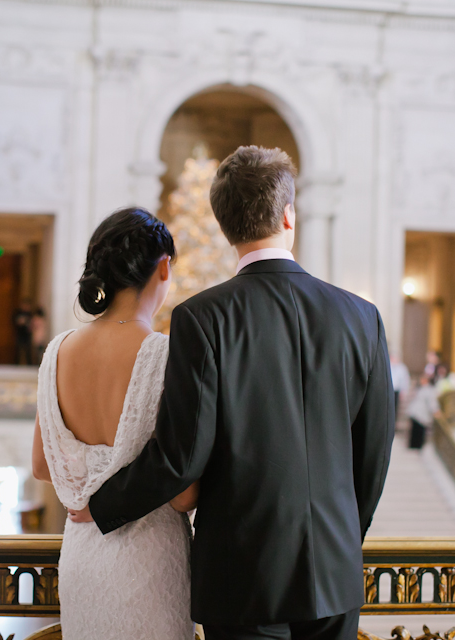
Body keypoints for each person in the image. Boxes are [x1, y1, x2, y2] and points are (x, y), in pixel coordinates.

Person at [75, 146, 395, 640]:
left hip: (240, 576)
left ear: (224, 226)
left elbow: (181, 456)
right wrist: (343, 540)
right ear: (289, 215)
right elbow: (373, 456)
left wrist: (101, 505)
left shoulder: (201, 318)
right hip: (334, 572)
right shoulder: (362, 317)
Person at [31, 208, 194, 639]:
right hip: (151, 562)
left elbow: (42, 466)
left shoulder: (58, 351)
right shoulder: (166, 354)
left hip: (82, 560)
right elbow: (184, 495)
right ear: (163, 268)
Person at [407, 373, 440, 450]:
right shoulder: (421, 389)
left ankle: (417, 446)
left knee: (419, 432)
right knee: (415, 432)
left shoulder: (429, 390)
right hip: (416, 413)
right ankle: (414, 446)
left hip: (421, 414)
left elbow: (432, 402)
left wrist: (435, 411)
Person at [390, 353, 411, 429]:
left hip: (396, 391)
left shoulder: (402, 368)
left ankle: (393, 425)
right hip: (389, 390)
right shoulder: (388, 365)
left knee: (394, 408)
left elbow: (405, 381)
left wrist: (404, 391)